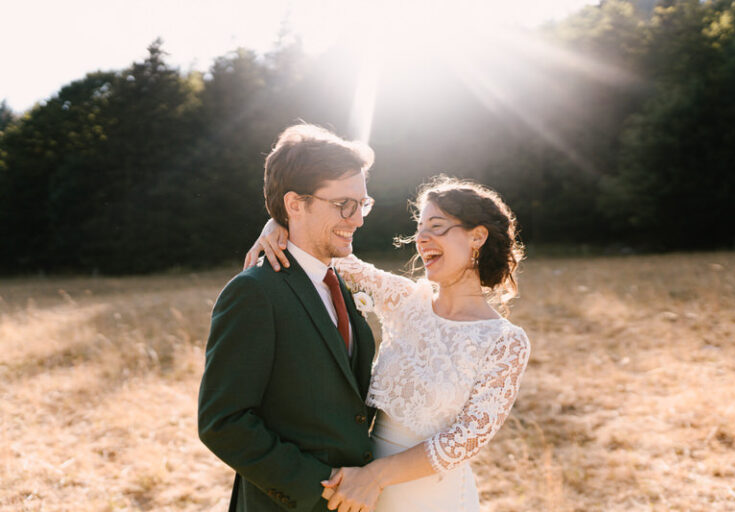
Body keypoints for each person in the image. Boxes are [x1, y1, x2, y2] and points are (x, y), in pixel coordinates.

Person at [245, 176, 531, 512]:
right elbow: (333, 257)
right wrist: (279, 223)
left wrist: (375, 477)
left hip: (430, 497)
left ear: (477, 237)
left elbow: (466, 440)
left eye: (436, 226)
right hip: (362, 492)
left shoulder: (505, 341)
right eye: (420, 229)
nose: (421, 238)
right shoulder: (406, 301)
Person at [198, 124, 379, 512]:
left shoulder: (341, 283)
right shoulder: (255, 293)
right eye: (344, 204)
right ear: (295, 204)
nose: (358, 220)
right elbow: (223, 422)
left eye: (362, 204)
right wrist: (321, 488)